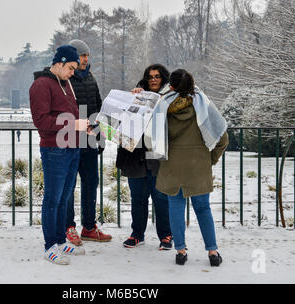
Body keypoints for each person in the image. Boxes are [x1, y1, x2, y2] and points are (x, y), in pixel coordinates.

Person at [156, 69, 229, 266]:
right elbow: (222, 138)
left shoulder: (162, 106)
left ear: (170, 86)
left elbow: (152, 139)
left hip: (172, 166)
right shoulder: (204, 104)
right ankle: (213, 252)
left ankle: (180, 251)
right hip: (198, 166)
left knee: (176, 208)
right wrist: (210, 160)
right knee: (204, 209)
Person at [29, 45, 92, 265]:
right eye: (71, 68)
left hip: (72, 147)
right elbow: (42, 121)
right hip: (54, 149)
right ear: (59, 63)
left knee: (65, 198)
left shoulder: (66, 84)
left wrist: (85, 127)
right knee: (53, 199)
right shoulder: (41, 85)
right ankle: (50, 246)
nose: (73, 72)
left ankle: (60, 239)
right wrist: (74, 124)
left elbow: (70, 116)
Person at [116, 64, 173, 250]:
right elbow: (121, 120)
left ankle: (166, 235)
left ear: (164, 78)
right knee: (137, 199)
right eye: (150, 77)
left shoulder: (170, 97)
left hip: (157, 155)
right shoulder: (136, 96)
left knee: (161, 199)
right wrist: (131, 99)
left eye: (157, 76)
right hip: (136, 156)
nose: (154, 79)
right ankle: (137, 234)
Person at [64, 39, 112, 246]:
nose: (85, 59)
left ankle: (89, 227)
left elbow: (98, 109)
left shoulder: (91, 78)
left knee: (91, 183)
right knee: (69, 186)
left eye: (87, 55)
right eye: (81, 55)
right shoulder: (65, 78)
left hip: (90, 140)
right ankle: (68, 227)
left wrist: (100, 135)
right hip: (70, 140)